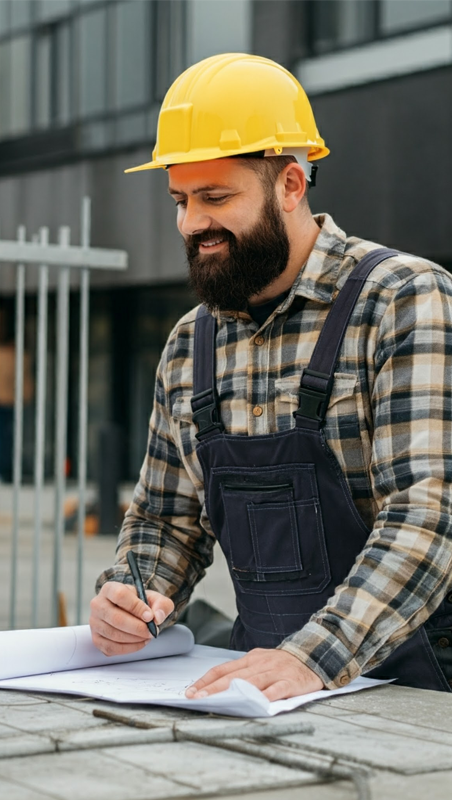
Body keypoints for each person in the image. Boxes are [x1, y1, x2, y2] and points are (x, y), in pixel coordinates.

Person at [90, 53, 452, 701]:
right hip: (267, 689)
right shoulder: (188, 344)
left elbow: (427, 518)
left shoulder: (403, 300)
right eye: (180, 199)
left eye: (216, 197)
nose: (192, 222)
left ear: (291, 183)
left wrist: (311, 658)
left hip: (423, 691)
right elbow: (165, 520)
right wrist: (132, 591)